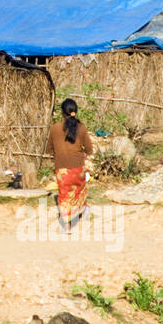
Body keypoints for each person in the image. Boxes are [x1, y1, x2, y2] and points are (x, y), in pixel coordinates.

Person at [47, 98, 93, 231]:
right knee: (80, 190)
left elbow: (49, 150)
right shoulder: (81, 128)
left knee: (64, 195)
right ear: (75, 112)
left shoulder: (54, 128)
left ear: (62, 112)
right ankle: (82, 213)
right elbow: (89, 149)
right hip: (78, 168)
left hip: (62, 170)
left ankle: (67, 226)